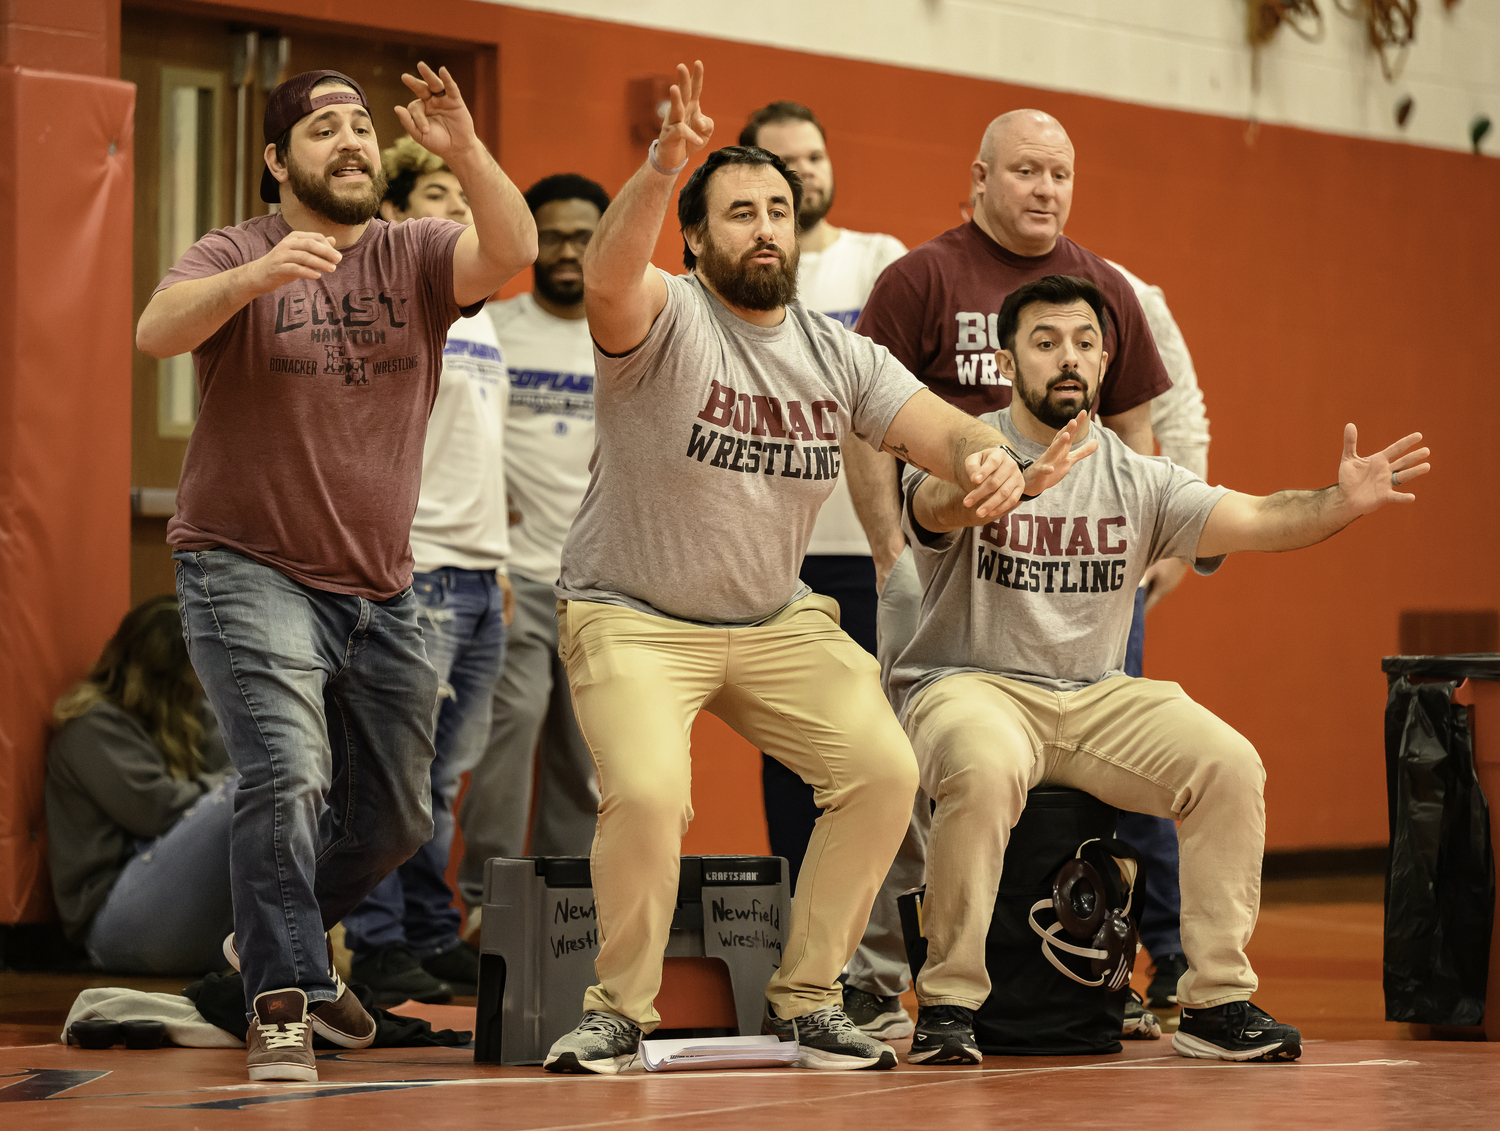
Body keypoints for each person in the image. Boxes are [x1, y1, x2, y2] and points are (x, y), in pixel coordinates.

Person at [540, 61, 1089, 1076]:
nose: (764, 228)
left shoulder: (837, 353)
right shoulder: (661, 319)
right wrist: (664, 167)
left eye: (780, 212)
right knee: (654, 794)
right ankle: (619, 1007)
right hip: (631, 615)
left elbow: (939, 431)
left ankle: (810, 997)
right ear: (698, 238)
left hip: (770, 620)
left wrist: (1001, 468)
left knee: (884, 771)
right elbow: (612, 273)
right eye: (739, 211)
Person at [889, 274, 1429, 1065]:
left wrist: (1337, 503)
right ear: (1008, 362)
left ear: (1105, 362)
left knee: (1228, 763)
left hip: (1097, 695)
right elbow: (931, 507)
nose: (1066, 358)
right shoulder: (970, 448)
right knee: (981, 761)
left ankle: (1215, 999)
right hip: (973, 685)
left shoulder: (1138, 477)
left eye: (1083, 343)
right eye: (1044, 343)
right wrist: (985, 488)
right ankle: (949, 1003)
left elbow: (1255, 517)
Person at [134, 64, 536, 1083]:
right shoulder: (238, 249)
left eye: (360, 126)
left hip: (381, 585)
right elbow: (156, 330)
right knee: (289, 773)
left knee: (401, 816)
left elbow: (515, 252)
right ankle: (279, 1000)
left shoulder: (413, 254)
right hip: (245, 565)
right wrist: (250, 283)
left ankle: (275, 946)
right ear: (278, 161)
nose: (350, 142)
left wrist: (464, 149)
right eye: (323, 129)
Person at [841, 108, 1175, 1040]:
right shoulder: (923, 276)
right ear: (980, 176)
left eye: (1060, 174)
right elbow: (866, 419)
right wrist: (889, 547)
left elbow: (1140, 426)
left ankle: (1103, 964)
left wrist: (1143, 554)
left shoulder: (1103, 283)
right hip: (943, 568)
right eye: (1025, 171)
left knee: (1110, 773)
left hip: (1082, 577)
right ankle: (877, 976)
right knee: (913, 772)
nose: (1045, 190)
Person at [337, 136, 515, 1005]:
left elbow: (484, 457)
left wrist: (501, 561)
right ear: (396, 216)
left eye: (465, 198)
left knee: (445, 777)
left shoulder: (484, 322)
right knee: (392, 772)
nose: (460, 210)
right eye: (440, 194)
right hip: (421, 567)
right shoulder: (393, 308)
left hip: (482, 573)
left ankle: (431, 930)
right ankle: (374, 941)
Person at [738, 101, 908, 899]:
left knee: (880, 743)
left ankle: (867, 932)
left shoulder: (880, 261)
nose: (803, 171)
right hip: (773, 554)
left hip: (869, 552)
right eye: (782, 160)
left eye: (813, 156)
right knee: (788, 747)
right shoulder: (736, 279)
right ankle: (792, 926)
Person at [455, 174, 611, 920]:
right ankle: (489, 904)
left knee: (587, 760)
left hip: (603, 583)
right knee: (508, 737)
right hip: (515, 573)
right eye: (552, 235)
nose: (568, 250)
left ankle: (562, 911)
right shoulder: (497, 326)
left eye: (584, 235)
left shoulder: (628, 325)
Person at [1106, 258, 1214, 1009]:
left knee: (1127, 755)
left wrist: (1183, 533)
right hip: (997, 574)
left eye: (1053, 172)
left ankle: (1170, 946)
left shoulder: (1126, 290)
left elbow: (1181, 413)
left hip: (1110, 567)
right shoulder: (945, 281)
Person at [46, 596, 236, 975]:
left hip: (188, 924)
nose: (200, 687)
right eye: (191, 677)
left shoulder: (193, 711)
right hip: (112, 923)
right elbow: (157, 810)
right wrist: (226, 784)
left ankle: (296, 952)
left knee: (300, 786)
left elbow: (241, 766)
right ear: (159, 676)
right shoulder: (93, 726)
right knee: (253, 790)